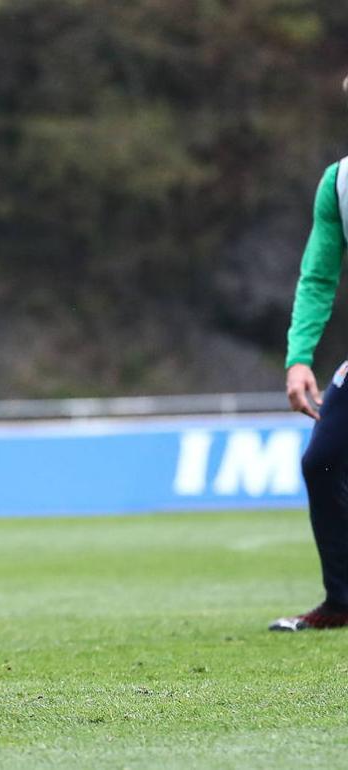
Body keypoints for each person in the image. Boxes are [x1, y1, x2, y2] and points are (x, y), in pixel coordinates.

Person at [273, 75, 348, 632]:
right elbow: (319, 275)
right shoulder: (340, 182)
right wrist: (300, 357)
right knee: (321, 459)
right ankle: (342, 602)